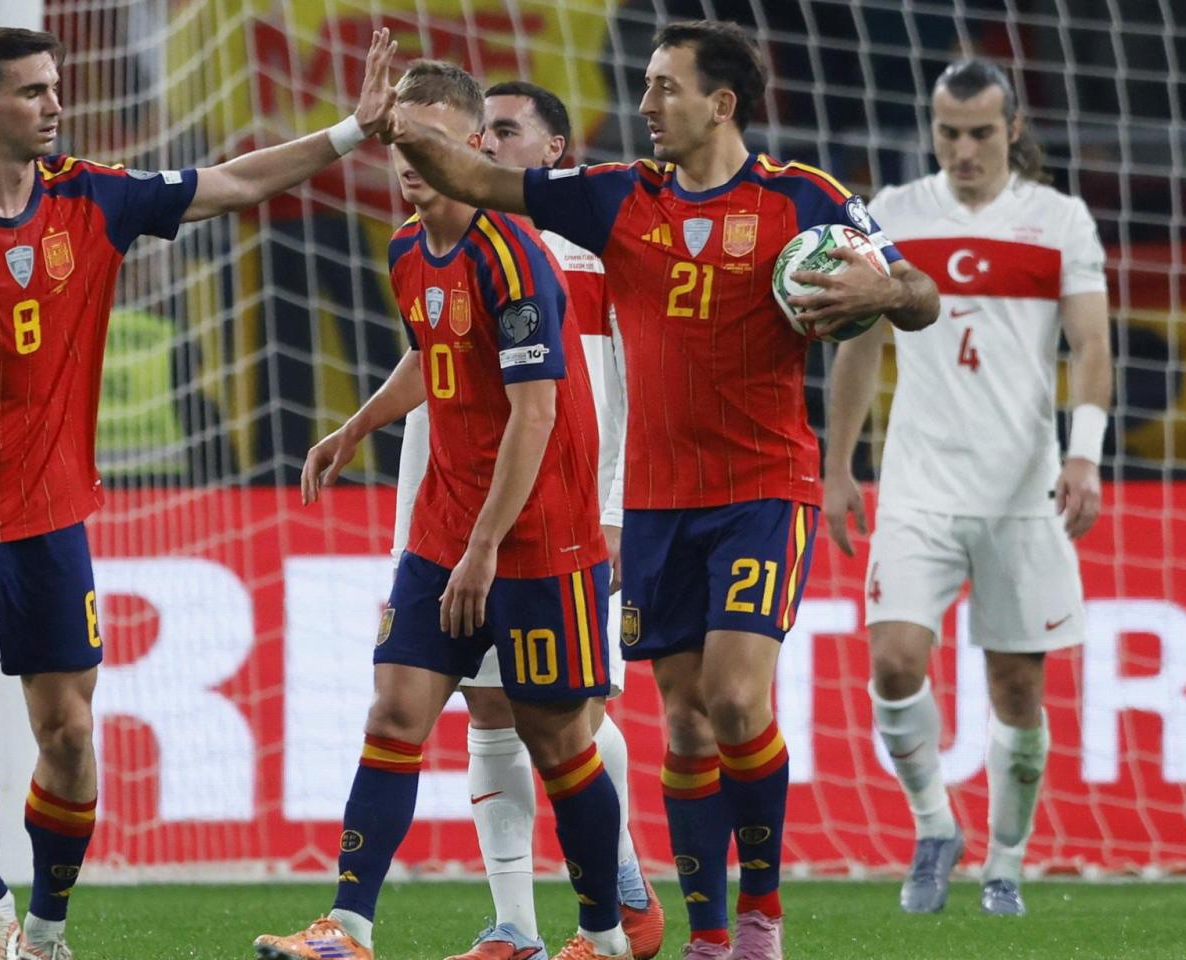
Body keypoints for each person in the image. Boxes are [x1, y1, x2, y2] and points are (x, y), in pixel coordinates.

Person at [0, 25, 398, 960]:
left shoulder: (95, 198)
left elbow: (230, 183)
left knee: (68, 735)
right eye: (32, 92)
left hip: (50, 519)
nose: (55, 104)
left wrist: (350, 131)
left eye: (55, 87)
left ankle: (47, 933)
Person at [383, 19, 939, 960]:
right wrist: (388, 125)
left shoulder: (802, 199)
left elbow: (919, 293)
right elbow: (478, 178)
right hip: (654, 500)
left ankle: (760, 914)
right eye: (644, 86)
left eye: (664, 88)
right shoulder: (613, 201)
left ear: (721, 104)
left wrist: (883, 295)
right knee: (681, 722)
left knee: (734, 700)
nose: (644, 106)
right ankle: (709, 936)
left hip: (766, 487)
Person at [255, 60, 631, 960]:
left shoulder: (517, 255)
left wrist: (486, 548)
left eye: (426, 140)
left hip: (537, 538)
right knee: (394, 714)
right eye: (396, 140)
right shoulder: (406, 249)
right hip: (443, 527)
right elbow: (433, 356)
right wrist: (355, 426)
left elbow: (536, 411)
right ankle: (346, 928)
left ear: (470, 147)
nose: (407, 159)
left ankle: (607, 933)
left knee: (555, 736)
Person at [823, 59, 1112, 918]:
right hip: (918, 485)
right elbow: (858, 342)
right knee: (894, 661)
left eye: (981, 132)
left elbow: (1091, 346)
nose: (964, 149)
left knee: (1017, 691)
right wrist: (838, 464)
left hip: (1025, 492)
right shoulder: (895, 212)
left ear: (1012, 128)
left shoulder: (1061, 219)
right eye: (949, 132)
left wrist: (1085, 453)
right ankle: (933, 825)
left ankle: (1006, 865)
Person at [388, 79, 662, 960]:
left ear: (552, 152)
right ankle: (514, 924)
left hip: (561, 508)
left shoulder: (591, 251)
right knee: (484, 704)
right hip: (444, 494)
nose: (486, 148)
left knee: (564, 713)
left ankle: (618, 884)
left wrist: (614, 509)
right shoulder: (442, 242)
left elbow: (621, 394)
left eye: (505, 133)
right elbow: (428, 364)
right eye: (483, 133)